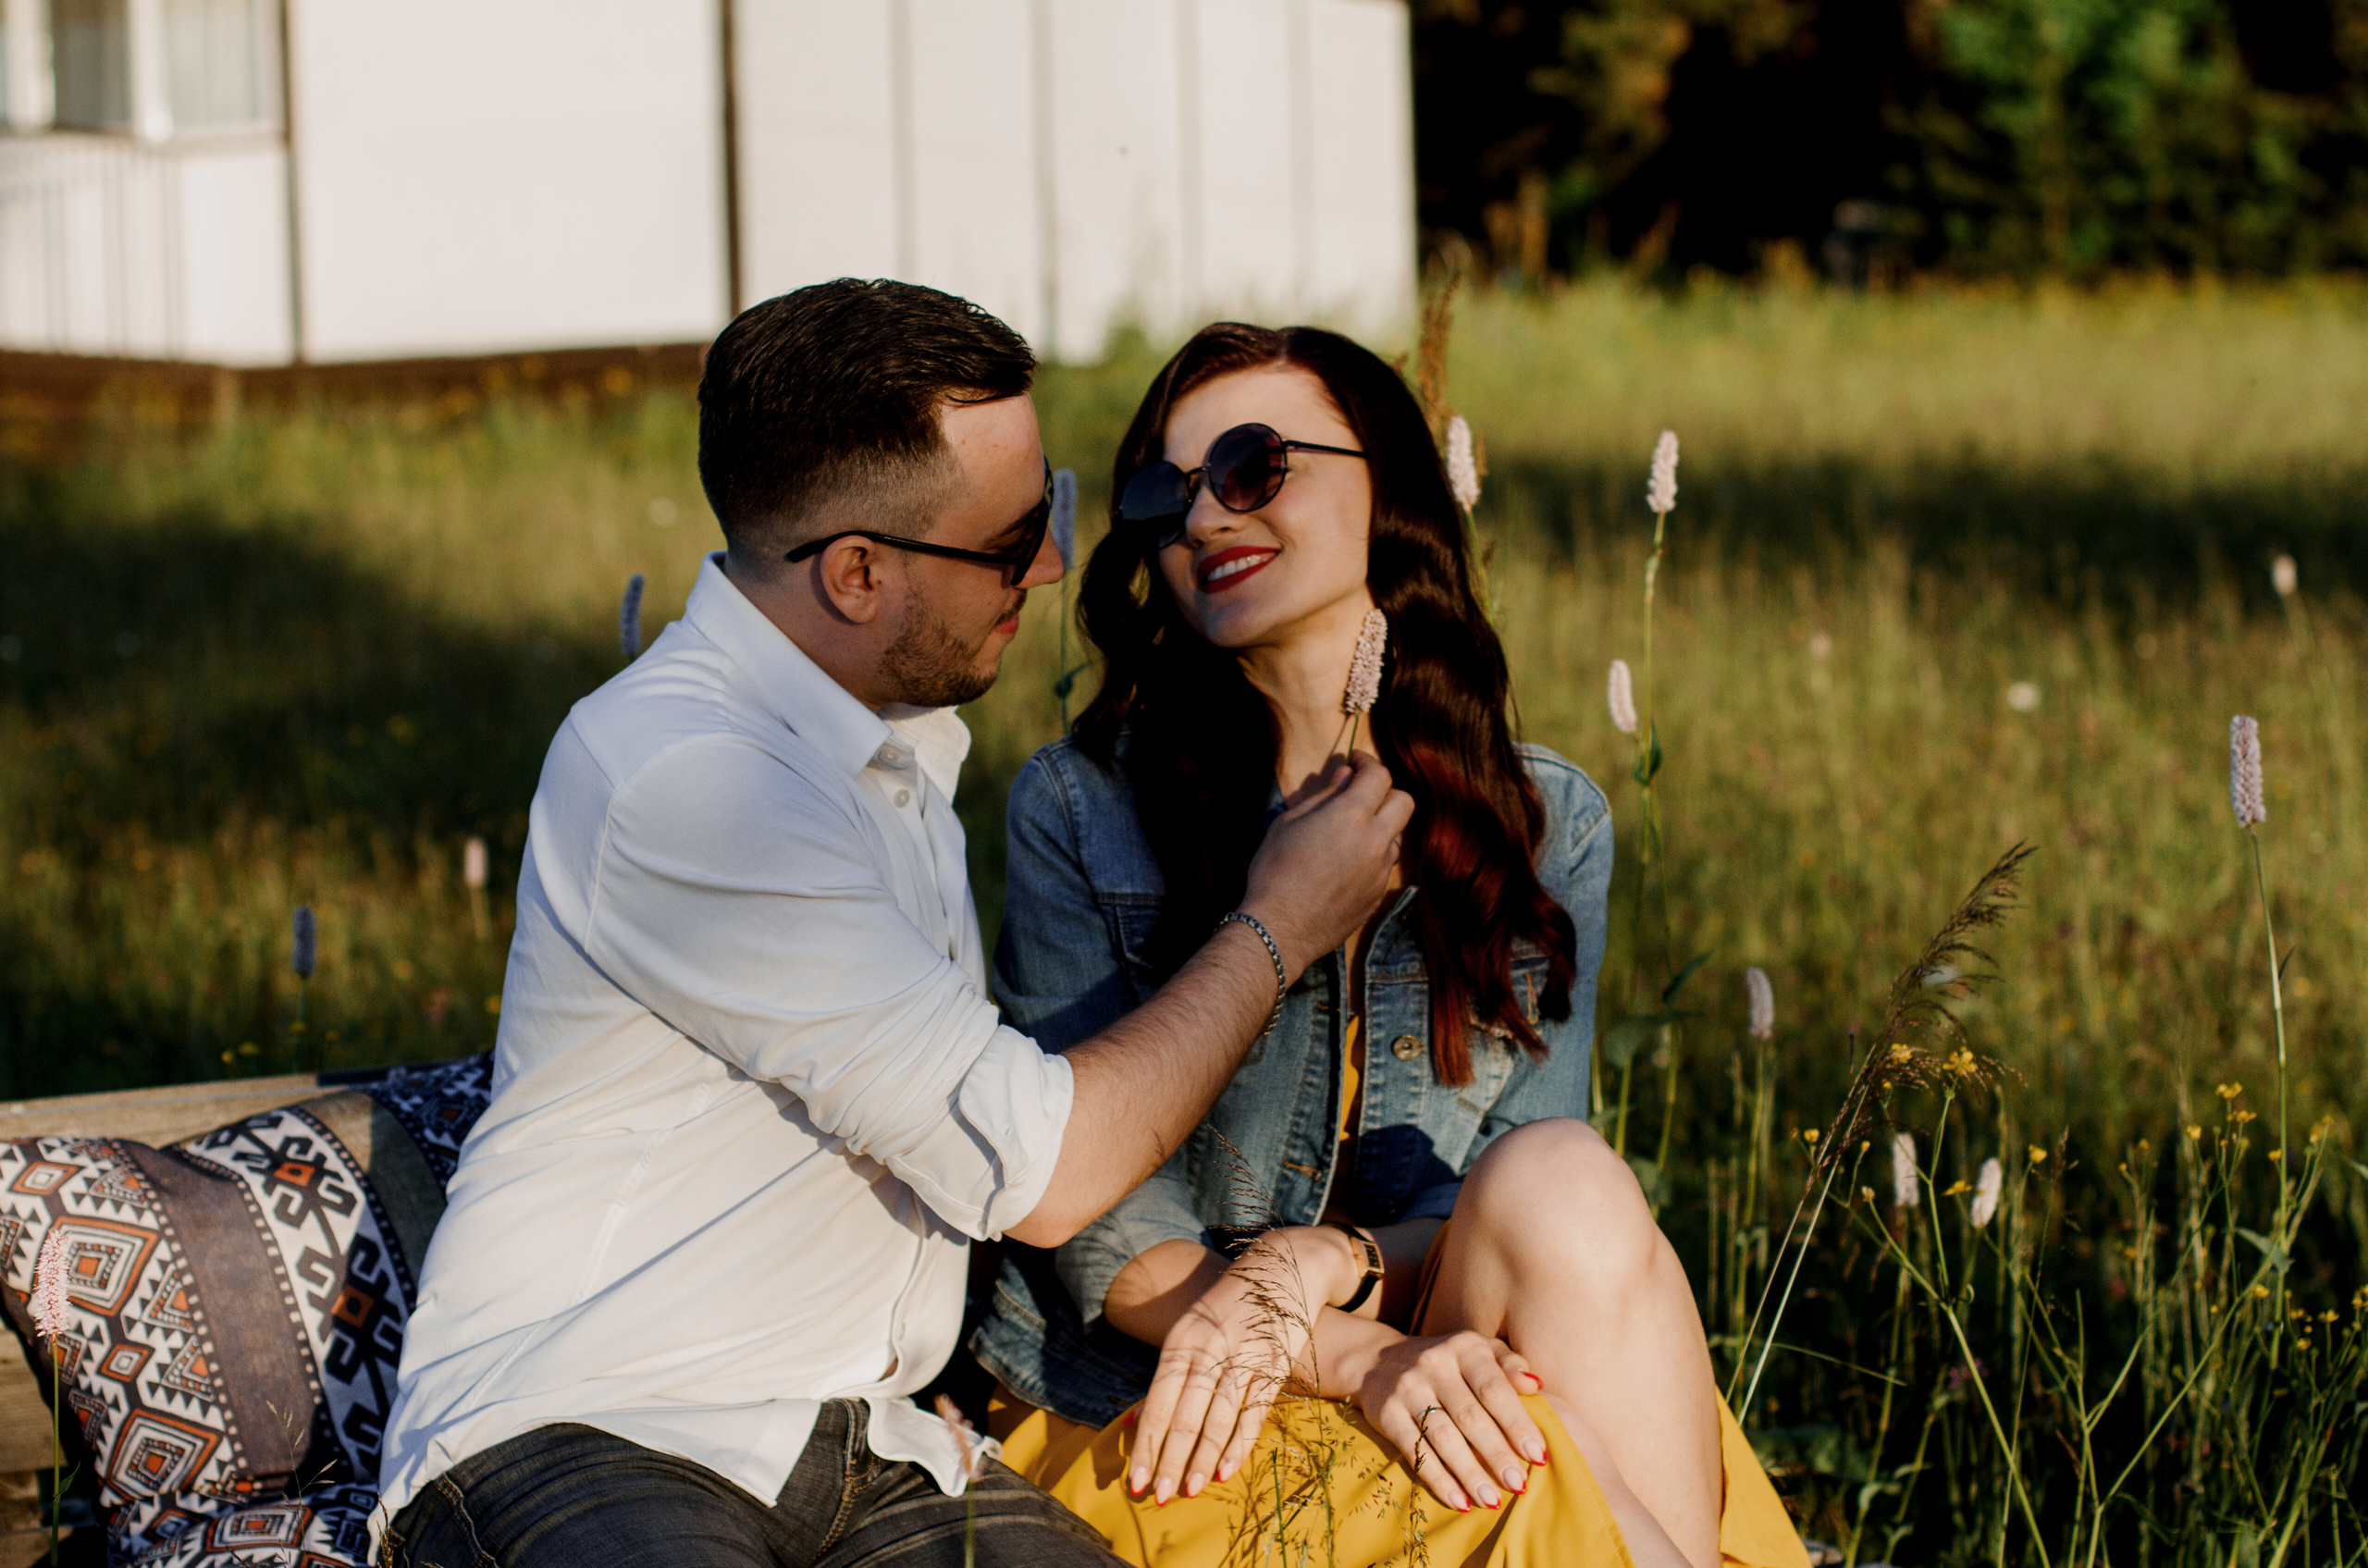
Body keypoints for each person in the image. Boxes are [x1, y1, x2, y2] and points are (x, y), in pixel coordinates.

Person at [372, 281, 1414, 1568]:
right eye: (1012, 537)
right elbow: (1042, 1171)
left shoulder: (893, 748)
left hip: (876, 1449)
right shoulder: (691, 779)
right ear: (858, 574)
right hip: (592, 1428)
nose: (1049, 563)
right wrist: (1279, 922)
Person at [967, 323, 1809, 1568]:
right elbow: (1089, 1223)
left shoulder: (1545, 818)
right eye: (1165, 489)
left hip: (1430, 1342)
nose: (1201, 517)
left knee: (1567, 1182)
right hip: (1171, 1404)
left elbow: (1505, 1213)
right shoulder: (1082, 809)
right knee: (1545, 1451)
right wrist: (1357, 1355)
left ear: (1392, 488)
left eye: (1254, 466)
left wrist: (1325, 1260)